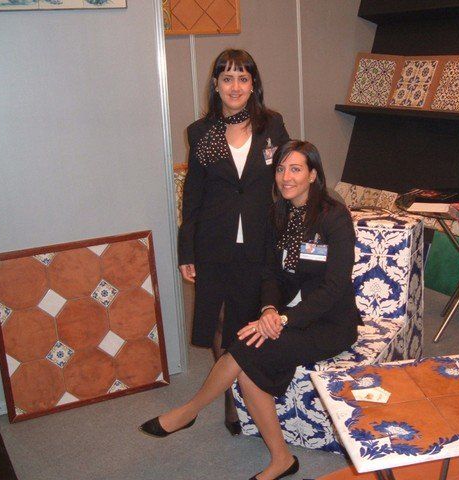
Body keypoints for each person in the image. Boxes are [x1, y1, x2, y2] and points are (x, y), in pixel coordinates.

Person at [140, 140, 362, 480]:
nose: (286, 177)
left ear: (313, 175)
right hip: (286, 314)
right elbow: (269, 273)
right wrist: (269, 308)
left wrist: (283, 319)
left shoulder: (334, 217)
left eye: (296, 169)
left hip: (329, 322)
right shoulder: (278, 214)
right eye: (281, 169)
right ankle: (281, 458)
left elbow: (334, 287)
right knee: (248, 358)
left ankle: (189, 411)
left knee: (246, 349)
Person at [178, 49, 290, 435]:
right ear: (216, 85)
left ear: (253, 84)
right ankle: (229, 396)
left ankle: (246, 388)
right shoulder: (201, 131)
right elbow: (193, 196)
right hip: (214, 240)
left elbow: (287, 177)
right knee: (219, 318)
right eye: (227, 78)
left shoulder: (272, 125)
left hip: (261, 238)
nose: (235, 86)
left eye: (243, 78)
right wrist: (187, 250)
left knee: (248, 315)